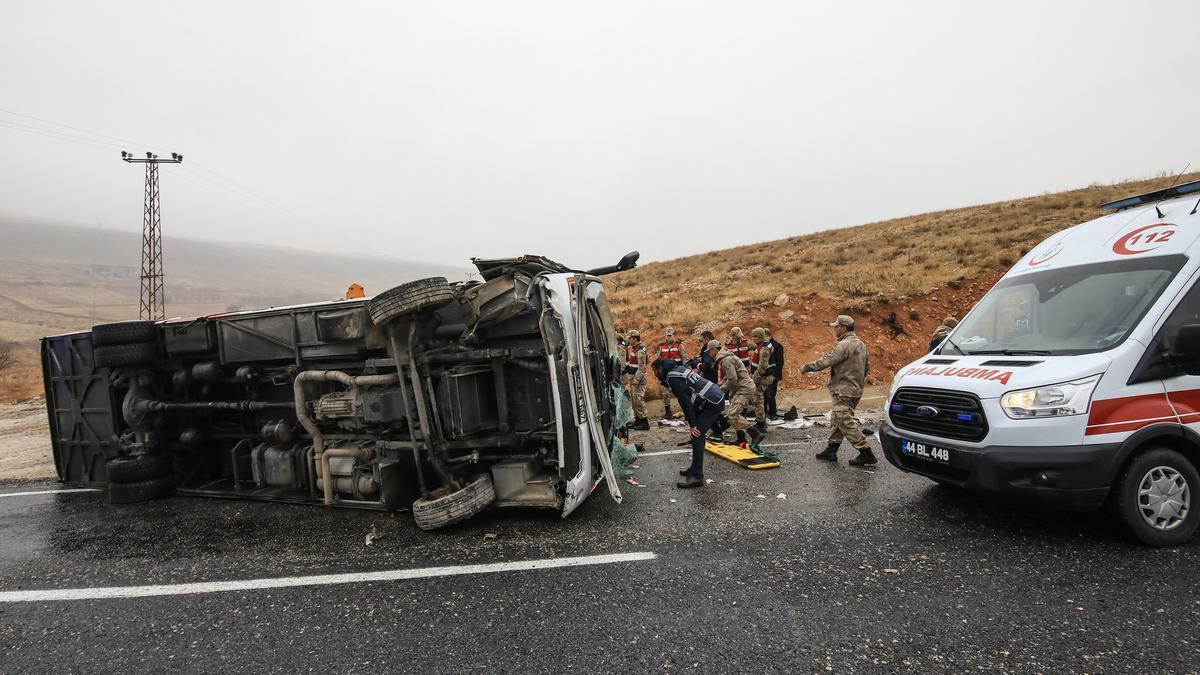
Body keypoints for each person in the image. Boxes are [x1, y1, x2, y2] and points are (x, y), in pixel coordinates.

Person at [802, 315, 875, 466]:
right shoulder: (861, 344)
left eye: (836, 326)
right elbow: (866, 367)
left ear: (843, 327)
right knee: (837, 419)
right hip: (855, 389)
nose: (834, 329)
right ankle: (831, 450)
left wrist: (807, 367)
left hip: (843, 390)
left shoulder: (844, 345)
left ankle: (865, 451)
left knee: (844, 420)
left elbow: (826, 361)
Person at [654, 357, 725, 488]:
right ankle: (694, 468)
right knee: (698, 434)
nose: (655, 376)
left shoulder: (672, 377)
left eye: (655, 371)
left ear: (660, 368)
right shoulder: (677, 369)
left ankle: (697, 476)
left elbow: (685, 401)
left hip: (712, 402)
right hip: (712, 398)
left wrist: (692, 425)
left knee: (696, 434)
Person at [710, 340, 764, 447]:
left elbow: (732, 379)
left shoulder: (726, 359)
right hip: (738, 388)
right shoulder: (725, 357)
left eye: (710, 351)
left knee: (732, 414)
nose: (709, 354)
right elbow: (729, 376)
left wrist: (720, 390)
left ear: (714, 349)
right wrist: (719, 385)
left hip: (744, 389)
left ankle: (755, 434)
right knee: (737, 414)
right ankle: (741, 438)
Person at [658, 328, 686, 419]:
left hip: (677, 373)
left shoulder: (679, 346)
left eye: (670, 336)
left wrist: (685, 371)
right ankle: (668, 412)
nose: (668, 338)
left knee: (680, 393)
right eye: (667, 336)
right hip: (665, 374)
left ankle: (686, 411)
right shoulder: (662, 347)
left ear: (674, 336)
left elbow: (684, 359)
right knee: (665, 393)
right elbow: (659, 360)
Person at [749, 328, 773, 433]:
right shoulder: (763, 345)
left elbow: (763, 365)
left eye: (755, 336)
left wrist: (755, 378)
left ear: (760, 337)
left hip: (762, 377)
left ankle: (761, 424)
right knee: (759, 399)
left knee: (758, 399)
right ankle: (760, 421)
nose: (753, 338)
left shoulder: (764, 348)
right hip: (763, 377)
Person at [626, 330, 650, 430]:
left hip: (638, 380)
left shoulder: (640, 350)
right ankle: (638, 420)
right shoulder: (634, 349)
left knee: (639, 400)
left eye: (630, 338)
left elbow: (641, 367)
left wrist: (636, 380)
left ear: (635, 338)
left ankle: (644, 422)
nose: (629, 340)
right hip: (633, 379)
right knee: (634, 400)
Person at [761, 328, 784, 420]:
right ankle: (764, 414)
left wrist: (775, 376)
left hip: (772, 375)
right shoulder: (763, 346)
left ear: (766, 335)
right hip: (764, 375)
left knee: (770, 395)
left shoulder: (777, 346)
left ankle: (773, 414)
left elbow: (780, 362)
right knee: (763, 396)